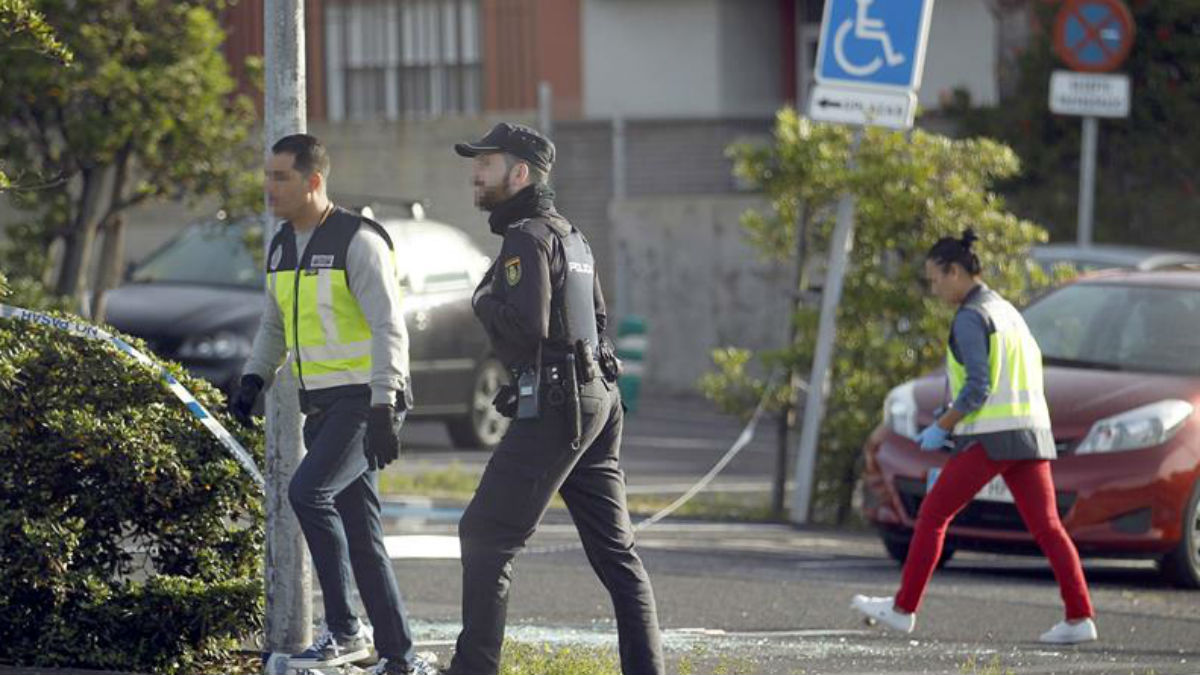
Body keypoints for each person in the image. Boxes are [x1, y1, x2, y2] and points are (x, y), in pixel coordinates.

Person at [442, 122, 665, 675]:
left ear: (520, 174)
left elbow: (527, 328)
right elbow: (597, 323)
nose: (476, 173)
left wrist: (483, 299)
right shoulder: (570, 233)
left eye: (486, 164)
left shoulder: (525, 236)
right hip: (598, 400)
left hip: (564, 402)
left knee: (486, 534)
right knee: (618, 555)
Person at [229, 134, 433, 675]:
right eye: (267, 176)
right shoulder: (279, 245)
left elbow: (391, 326)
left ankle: (344, 632)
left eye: (281, 178)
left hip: (365, 401)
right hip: (320, 404)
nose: (269, 188)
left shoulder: (357, 241)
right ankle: (398, 657)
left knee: (307, 492)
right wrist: (254, 378)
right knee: (363, 537)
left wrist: (385, 405)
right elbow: (275, 324)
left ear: (313, 181)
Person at [851, 230, 1097, 644]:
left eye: (935, 279)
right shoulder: (1007, 311)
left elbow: (978, 387)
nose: (934, 289)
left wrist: (941, 426)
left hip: (991, 436)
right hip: (1030, 434)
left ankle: (902, 610)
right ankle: (1079, 617)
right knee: (1049, 527)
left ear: (955, 272)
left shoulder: (971, 317)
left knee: (932, 516)